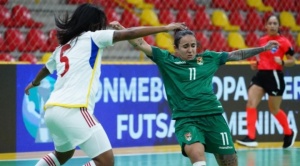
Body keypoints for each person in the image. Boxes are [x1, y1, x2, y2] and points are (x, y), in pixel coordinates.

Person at [24, 3, 186, 166]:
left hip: (51, 111)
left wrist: (33, 83)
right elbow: (130, 33)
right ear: (94, 24)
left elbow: (46, 69)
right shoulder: (93, 37)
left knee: (63, 153)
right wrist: (164, 28)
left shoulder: (61, 49)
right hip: (74, 109)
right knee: (105, 161)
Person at [110, 21, 279, 166]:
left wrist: (263, 48)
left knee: (229, 160)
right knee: (197, 155)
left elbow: (237, 55)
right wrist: (123, 30)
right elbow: (140, 43)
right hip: (187, 119)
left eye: (193, 46)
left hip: (213, 116)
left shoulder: (209, 59)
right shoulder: (167, 60)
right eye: (185, 46)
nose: (190, 50)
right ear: (176, 48)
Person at [236, 15, 297, 148]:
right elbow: (261, 58)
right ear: (265, 26)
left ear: (279, 26)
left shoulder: (284, 42)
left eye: (275, 23)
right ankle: (251, 138)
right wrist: (256, 64)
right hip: (261, 75)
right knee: (251, 103)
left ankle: (289, 132)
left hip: (275, 76)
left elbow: (292, 61)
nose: (272, 26)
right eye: (270, 23)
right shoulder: (262, 40)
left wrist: (283, 62)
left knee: (274, 109)